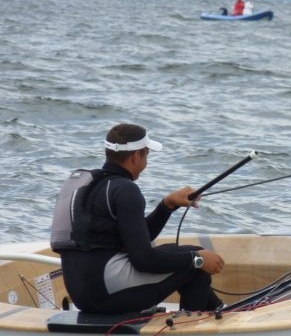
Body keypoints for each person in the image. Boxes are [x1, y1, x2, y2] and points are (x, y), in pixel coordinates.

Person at [51, 123, 226, 315]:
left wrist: (167, 205)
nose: (146, 162)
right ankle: (193, 326)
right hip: (106, 293)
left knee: (178, 252)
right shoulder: (126, 190)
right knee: (195, 262)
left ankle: (217, 309)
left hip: (83, 293)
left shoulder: (94, 186)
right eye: (146, 155)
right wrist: (197, 259)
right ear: (136, 156)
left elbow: (136, 238)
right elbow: (143, 260)